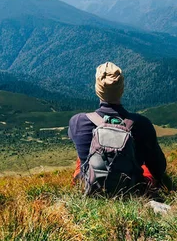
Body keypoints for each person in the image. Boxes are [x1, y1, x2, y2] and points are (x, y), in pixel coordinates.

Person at [68, 62, 167, 193]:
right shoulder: (142, 123)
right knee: (145, 165)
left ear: (97, 89)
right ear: (122, 89)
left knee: (82, 159)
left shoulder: (78, 121)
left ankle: (83, 187)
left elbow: (72, 136)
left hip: (93, 188)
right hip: (131, 189)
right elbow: (159, 168)